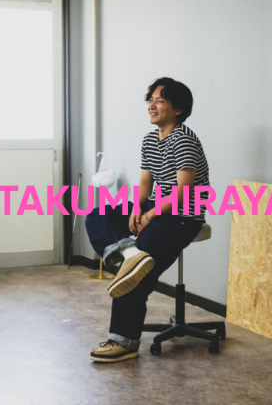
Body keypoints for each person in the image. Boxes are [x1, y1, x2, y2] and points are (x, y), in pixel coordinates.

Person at [85, 77, 210, 363]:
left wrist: (150, 215)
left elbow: (183, 192)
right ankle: (130, 255)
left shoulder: (184, 140)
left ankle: (123, 342)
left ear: (177, 109)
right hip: (156, 208)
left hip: (183, 215)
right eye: (150, 99)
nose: (151, 105)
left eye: (160, 100)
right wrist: (137, 210)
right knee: (97, 215)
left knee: (135, 276)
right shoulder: (150, 140)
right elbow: (145, 183)